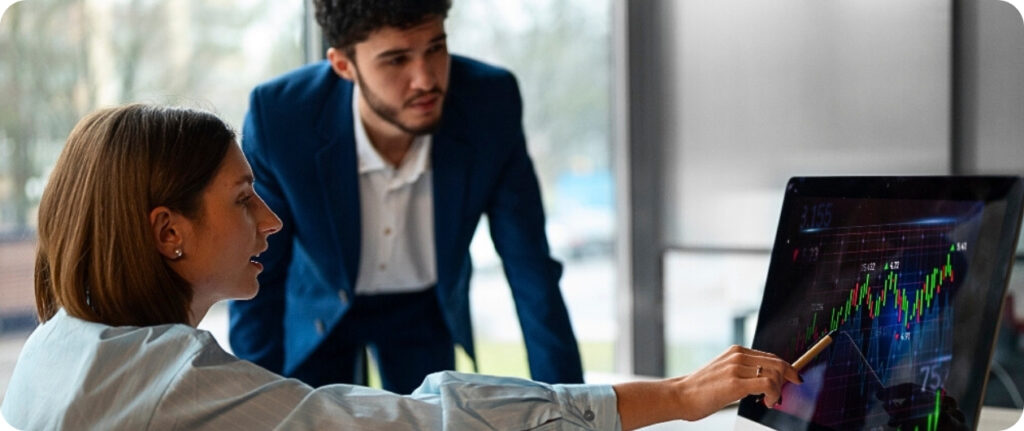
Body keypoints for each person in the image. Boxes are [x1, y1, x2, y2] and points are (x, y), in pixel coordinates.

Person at [1, 104, 800, 430]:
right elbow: (419, 422)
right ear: (168, 231)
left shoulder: (58, 347)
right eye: (244, 197)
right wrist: (679, 395)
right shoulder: (165, 376)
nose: (272, 219)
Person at [228, 0, 584, 393]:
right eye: (396, 60)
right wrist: (253, 400)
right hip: (320, 307)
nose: (426, 79)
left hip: (423, 308)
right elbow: (259, 269)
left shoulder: (489, 103)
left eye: (435, 48)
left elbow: (531, 270)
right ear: (344, 65)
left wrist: (570, 409)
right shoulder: (282, 116)